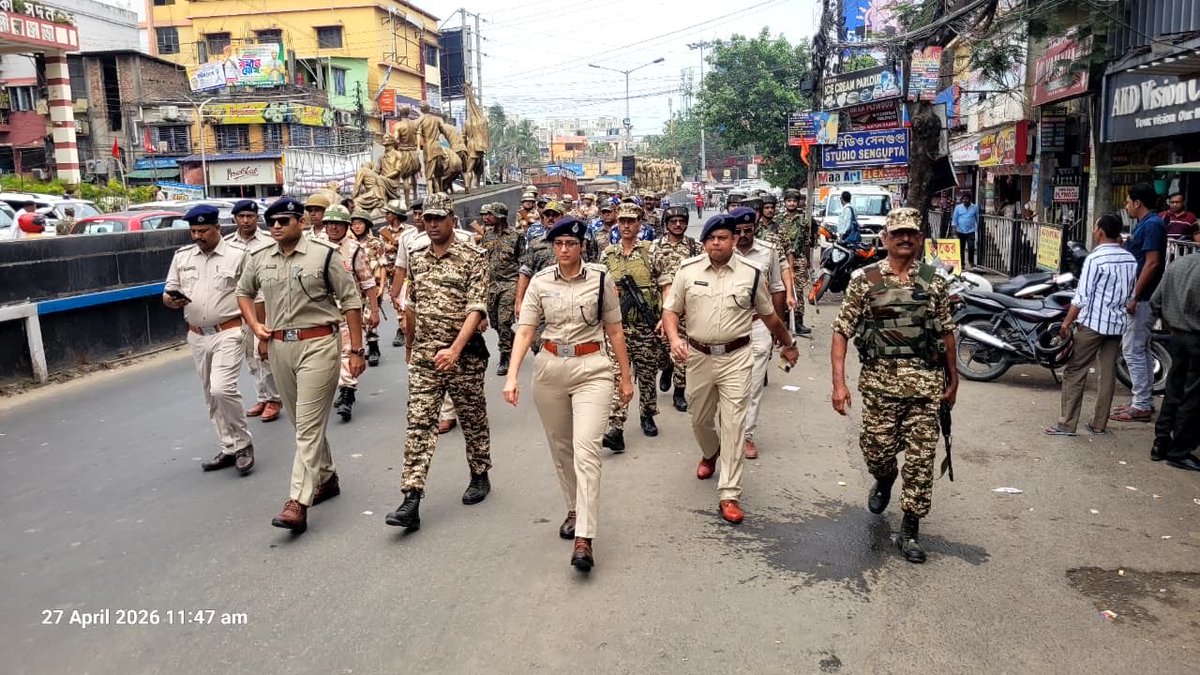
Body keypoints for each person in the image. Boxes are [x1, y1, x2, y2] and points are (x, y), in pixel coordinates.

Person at [503, 217, 633, 571]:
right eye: (558, 244)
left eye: (570, 244)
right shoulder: (541, 282)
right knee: (561, 447)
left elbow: (616, 331)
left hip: (592, 367)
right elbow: (526, 329)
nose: (564, 250)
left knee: (586, 448)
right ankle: (575, 509)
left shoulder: (601, 279)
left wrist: (625, 377)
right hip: (549, 368)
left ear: (581, 246)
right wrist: (512, 375)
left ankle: (585, 538)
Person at [830, 207, 958, 564]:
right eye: (898, 233)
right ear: (885, 238)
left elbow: (947, 331)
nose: (905, 239)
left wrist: (954, 379)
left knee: (921, 461)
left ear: (919, 239)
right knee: (877, 452)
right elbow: (841, 332)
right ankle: (884, 479)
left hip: (925, 389)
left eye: (912, 234)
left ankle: (910, 530)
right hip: (879, 388)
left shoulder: (934, 280)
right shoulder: (865, 280)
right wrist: (839, 384)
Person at [236, 197, 365, 534]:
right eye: (271, 222)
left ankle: (297, 501)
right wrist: (255, 326)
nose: (276, 227)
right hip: (280, 346)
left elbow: (350, 301)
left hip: (319, 343)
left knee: (307, 425)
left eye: (283, 221)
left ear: (302, 222)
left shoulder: (324, 255)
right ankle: (326, 477)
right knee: (299, 422)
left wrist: (357, 350)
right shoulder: (260, 257)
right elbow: (243, 293)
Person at [662, 213, 799, 525]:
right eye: (711, 238)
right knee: (699, 419)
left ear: (734, 240)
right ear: (704, 242)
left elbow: (770, 317)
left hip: (737, 357)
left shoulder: (751, 274)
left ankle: (729, 493)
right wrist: (674, 339)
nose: (716, 243)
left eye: (722, 238)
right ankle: (710, 452)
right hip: (697, 357)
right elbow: (670, 311)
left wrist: (787, 343)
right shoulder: (687, 271)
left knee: (734, 424)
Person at [385, 193, 493, 531]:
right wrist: (410, 346)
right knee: (419, 423)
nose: (431, 224)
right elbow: (413, 304)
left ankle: (479, 473)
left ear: (451, 220)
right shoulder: (417, 257)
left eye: (437, 219)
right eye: (426, 219)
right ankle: (411, 497)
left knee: (472, 417)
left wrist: (456, 350)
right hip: (426, 356)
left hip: (463, 354)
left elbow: (477, 308)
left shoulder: (473, 257)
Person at [164, 204, 256, 476]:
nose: (197, 236)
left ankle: (243, 443)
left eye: (203, 230)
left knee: (221, 388)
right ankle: (228, 447)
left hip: (228, 331)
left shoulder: (238, 256)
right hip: (196, 335)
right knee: (210, 395)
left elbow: (253, 294)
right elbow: (168, 292)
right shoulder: (182, 257)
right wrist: (170, 299)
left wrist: (258, 331)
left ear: (218, 228)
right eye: (193, 231)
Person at [1044, 215, 1137, 436]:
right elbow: (1132, 294)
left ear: (1101, 231)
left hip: (1093, 323)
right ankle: (1099, 424)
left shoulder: (1095, 259)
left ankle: (1066, 424)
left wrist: (1066, 323)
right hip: (1116, 324)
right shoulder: (1130, 259)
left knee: (1075, 371)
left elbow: (1081, 297)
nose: (1094, 231)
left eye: (1095, 227)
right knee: (1107, 373)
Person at [600, 202, 674, 452]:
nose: (626, 225)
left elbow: (666, 286)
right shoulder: (608, 254)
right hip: (618, 328)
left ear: (640, 223)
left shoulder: (650, 252)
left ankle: (647, 414)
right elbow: (598, 290)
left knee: (646, 374)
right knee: (619, 377)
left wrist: (665, 317)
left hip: (646, 326)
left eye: (631, 221)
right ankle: (616, 428)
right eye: (622, 221)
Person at [728, 207, 787, 460]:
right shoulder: (721, 251)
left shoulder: (768, 252)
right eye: (738, 231)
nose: (742, 236)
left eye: (747, 231)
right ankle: (727, 431)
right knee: (727, 386)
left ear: (755, 229)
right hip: (727, 327)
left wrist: (778, 326)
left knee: (753, 386)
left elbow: (777, 288)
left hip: (758, 324)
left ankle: (747, 435)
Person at [1111, 183, 1167, 423]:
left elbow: (1152, 263)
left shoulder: (1153, 224)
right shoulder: (1145, 224)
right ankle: (1142, 400)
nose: (1126, 206)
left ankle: (1141, 404)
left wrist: (1135, 295)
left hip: (1144, 298)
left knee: (1133, 350)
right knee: (1139, 349)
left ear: (1137, 203)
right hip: (1141, 296)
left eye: (1127, 201)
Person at [318, 206, 380, 422]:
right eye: (330, 223)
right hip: (320, 309)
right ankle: (342, 385)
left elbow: (366, 280)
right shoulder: (315, 246)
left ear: (346, 226)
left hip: (348, 308)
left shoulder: (354, 248)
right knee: (327, 355)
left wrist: (373, 309)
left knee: (348, 351)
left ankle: (347, 393)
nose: (333, 227)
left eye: (338, 224)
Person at [225, 200, 282, 423]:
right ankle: (262, 396)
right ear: (235, 219)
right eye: (241, 216)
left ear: (256, 218)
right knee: (250, 356)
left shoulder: (269, 241)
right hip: (241, 306)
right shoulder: (227, 244)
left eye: (250, 216)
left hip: (267, 304)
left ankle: (274, 399)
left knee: (265, 352)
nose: (246, 220)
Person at [1150, 246, 1200, 471]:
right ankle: (1180, 450)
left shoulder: (1178, 264)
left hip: (1176, 336)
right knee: (1192, 396)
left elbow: (1155, 300)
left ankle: (1161, 442)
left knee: (1174, 389)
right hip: (1196, 338)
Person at [650, 205, 700, 412]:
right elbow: (650, 276)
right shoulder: (655, 247)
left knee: (682, 351)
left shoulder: (695, 246)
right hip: (661, 306)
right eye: (673, 222)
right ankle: (667, 367)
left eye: (681, 221)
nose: (678, 225)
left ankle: (679, 392)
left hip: (687, 308)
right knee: (662, 351)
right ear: (666, 224)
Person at [478, 202, 524, 376]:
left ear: (500, 217)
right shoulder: (486, 235)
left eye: (490, 215)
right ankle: (511, 339)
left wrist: (521, 290)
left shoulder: (516, 236)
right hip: (492, 284)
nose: (486, 218)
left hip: (509, 283)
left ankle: (505, 356)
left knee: (504, 321)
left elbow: (522, 262)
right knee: (496, 323)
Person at [349, 209, 387, 367]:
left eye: (360, 223)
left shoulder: (375, 243)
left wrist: (383, 285)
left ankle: (373, 347)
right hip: (354, 287)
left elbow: (383, 264)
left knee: (370, 316)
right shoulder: (349, 244)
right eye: (354, 224)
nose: (357, 227)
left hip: (373, 285)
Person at [781, 188, 813, 335]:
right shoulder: (779, 220)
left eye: (794, 201)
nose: (792, 203)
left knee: (798, 290)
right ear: (785, 202)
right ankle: (784, 320)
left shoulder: (803, 221)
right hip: (782, 260)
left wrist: (808, 261)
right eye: (789, 201)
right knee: (782, 289)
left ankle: (799, 321)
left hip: (799, 259)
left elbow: (807, 242)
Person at [379, 200, 409, 347]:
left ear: (396, 215)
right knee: (396, 300)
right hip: (392, 271)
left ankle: (405, 326)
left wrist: (398, 245)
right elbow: (379, 252)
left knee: (407, 299)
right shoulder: (383, 232)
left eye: (389, 213)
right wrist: (385, 246)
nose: (386, 215)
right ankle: (402, 325)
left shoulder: (409, 231)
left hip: (407, 271)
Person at [952, 194, 980, 268]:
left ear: (970, 200)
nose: (965, 200)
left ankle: (971, 262)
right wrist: (954, 230)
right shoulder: (958, 207)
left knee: (971, 247)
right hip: (960, 231)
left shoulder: (975, 207)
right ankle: (962, 264)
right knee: (961, 248)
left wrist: (979, 229)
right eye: (963, 199)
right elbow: (954, 219)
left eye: (966, 199)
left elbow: (977, 218)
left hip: (971, 231)